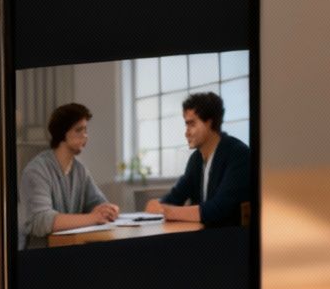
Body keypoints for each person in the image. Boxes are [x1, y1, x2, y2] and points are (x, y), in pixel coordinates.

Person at [146, 90, 252, 226]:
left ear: (209, 122)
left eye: (192, 124)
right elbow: (175, 197)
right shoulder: (196, 159)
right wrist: (158, 204)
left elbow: (218, 210)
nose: (186, 132)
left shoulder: (238, 154)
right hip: (204, 236)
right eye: (186, 124)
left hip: (232, 239)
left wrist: (167, 211)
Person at [19, 102, 121, 240]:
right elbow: (40, 220)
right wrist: (93, 217)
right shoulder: (37, 170)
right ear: (62, 133)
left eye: (86, 130)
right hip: (39, 252)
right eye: (79, 130)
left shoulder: (80, 171)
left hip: (69, 247)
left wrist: (108, 210)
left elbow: (98, 204)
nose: (85, 136)